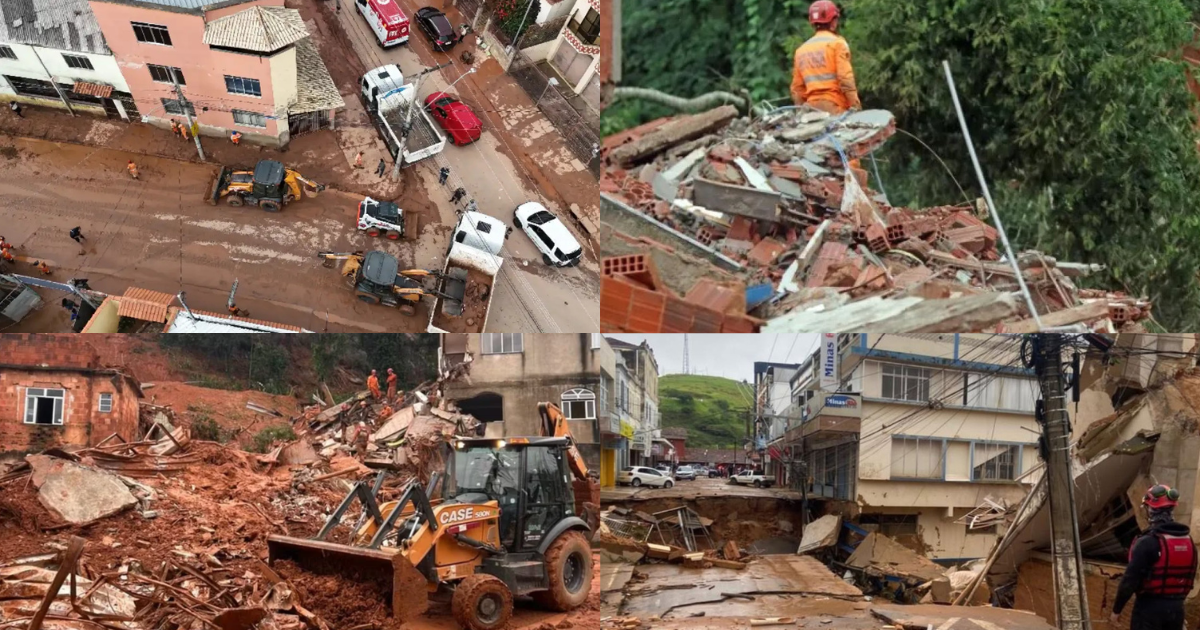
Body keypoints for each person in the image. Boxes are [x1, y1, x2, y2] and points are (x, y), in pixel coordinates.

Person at [1111, 485, 1197, 630]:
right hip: (1177, 611)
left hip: (1148, 610)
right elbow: (1189, 576)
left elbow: (1129, 580)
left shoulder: (1147, 542)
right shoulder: (1189, 542)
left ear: (1150, 509)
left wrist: (1116, 610)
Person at [790, 0, 861, 115]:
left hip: (811, 111)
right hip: (835, 108)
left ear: (812, 22)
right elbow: (845, 79)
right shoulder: (838, 44)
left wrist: (801, 113)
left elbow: (797, 90)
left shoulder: (801, 51)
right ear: (833, 21)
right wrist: (856, 106)